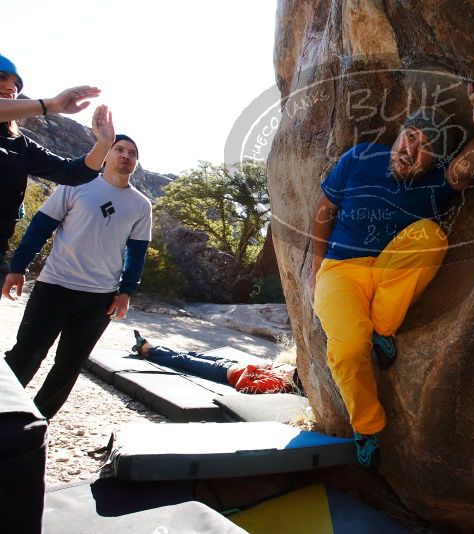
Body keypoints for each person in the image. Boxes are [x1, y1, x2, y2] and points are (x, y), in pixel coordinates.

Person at [306, 83, 474, 470]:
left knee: (430, 235)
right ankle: (367, 427)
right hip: (341, 270)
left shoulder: (439, 182)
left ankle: (382, 330)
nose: (411, 149)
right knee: (348, 348)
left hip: (390, 269)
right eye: (410, 136)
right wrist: (316, 266)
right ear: (399, 133)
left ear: (435, 161)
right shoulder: (360, 156)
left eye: (425, 148)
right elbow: (325, 208)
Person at [2, 134, 152, 420]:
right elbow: (40, 228)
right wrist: (17, 267)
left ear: (136, 162)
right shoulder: (76, 184)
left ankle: (37, 422)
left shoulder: (141, 205)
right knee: (26, 354)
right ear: (105, 155)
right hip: (55, 286)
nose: (125, 155)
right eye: (118, 149)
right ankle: (3, 411)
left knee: (69, 365)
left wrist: (125, 292)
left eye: (132, 152)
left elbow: (137, 252)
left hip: (99, 299)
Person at [0, 52, 110, 291]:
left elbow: (72, 173)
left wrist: (103, 145)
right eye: (2, 78)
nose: (11, 88)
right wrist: (51, 105)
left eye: (15, 85)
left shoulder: (20, 145)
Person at [131, 330, 300, 394]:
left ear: (294, 378)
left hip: (222, 373)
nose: (288, 369)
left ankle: (147, 349)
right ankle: (149, 348)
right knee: (190, 354)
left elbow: (243, 386)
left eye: (292, 371)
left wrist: (252, 367)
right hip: (229, 363)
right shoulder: (282, 375)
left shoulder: (277, 384)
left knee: (184, 360)